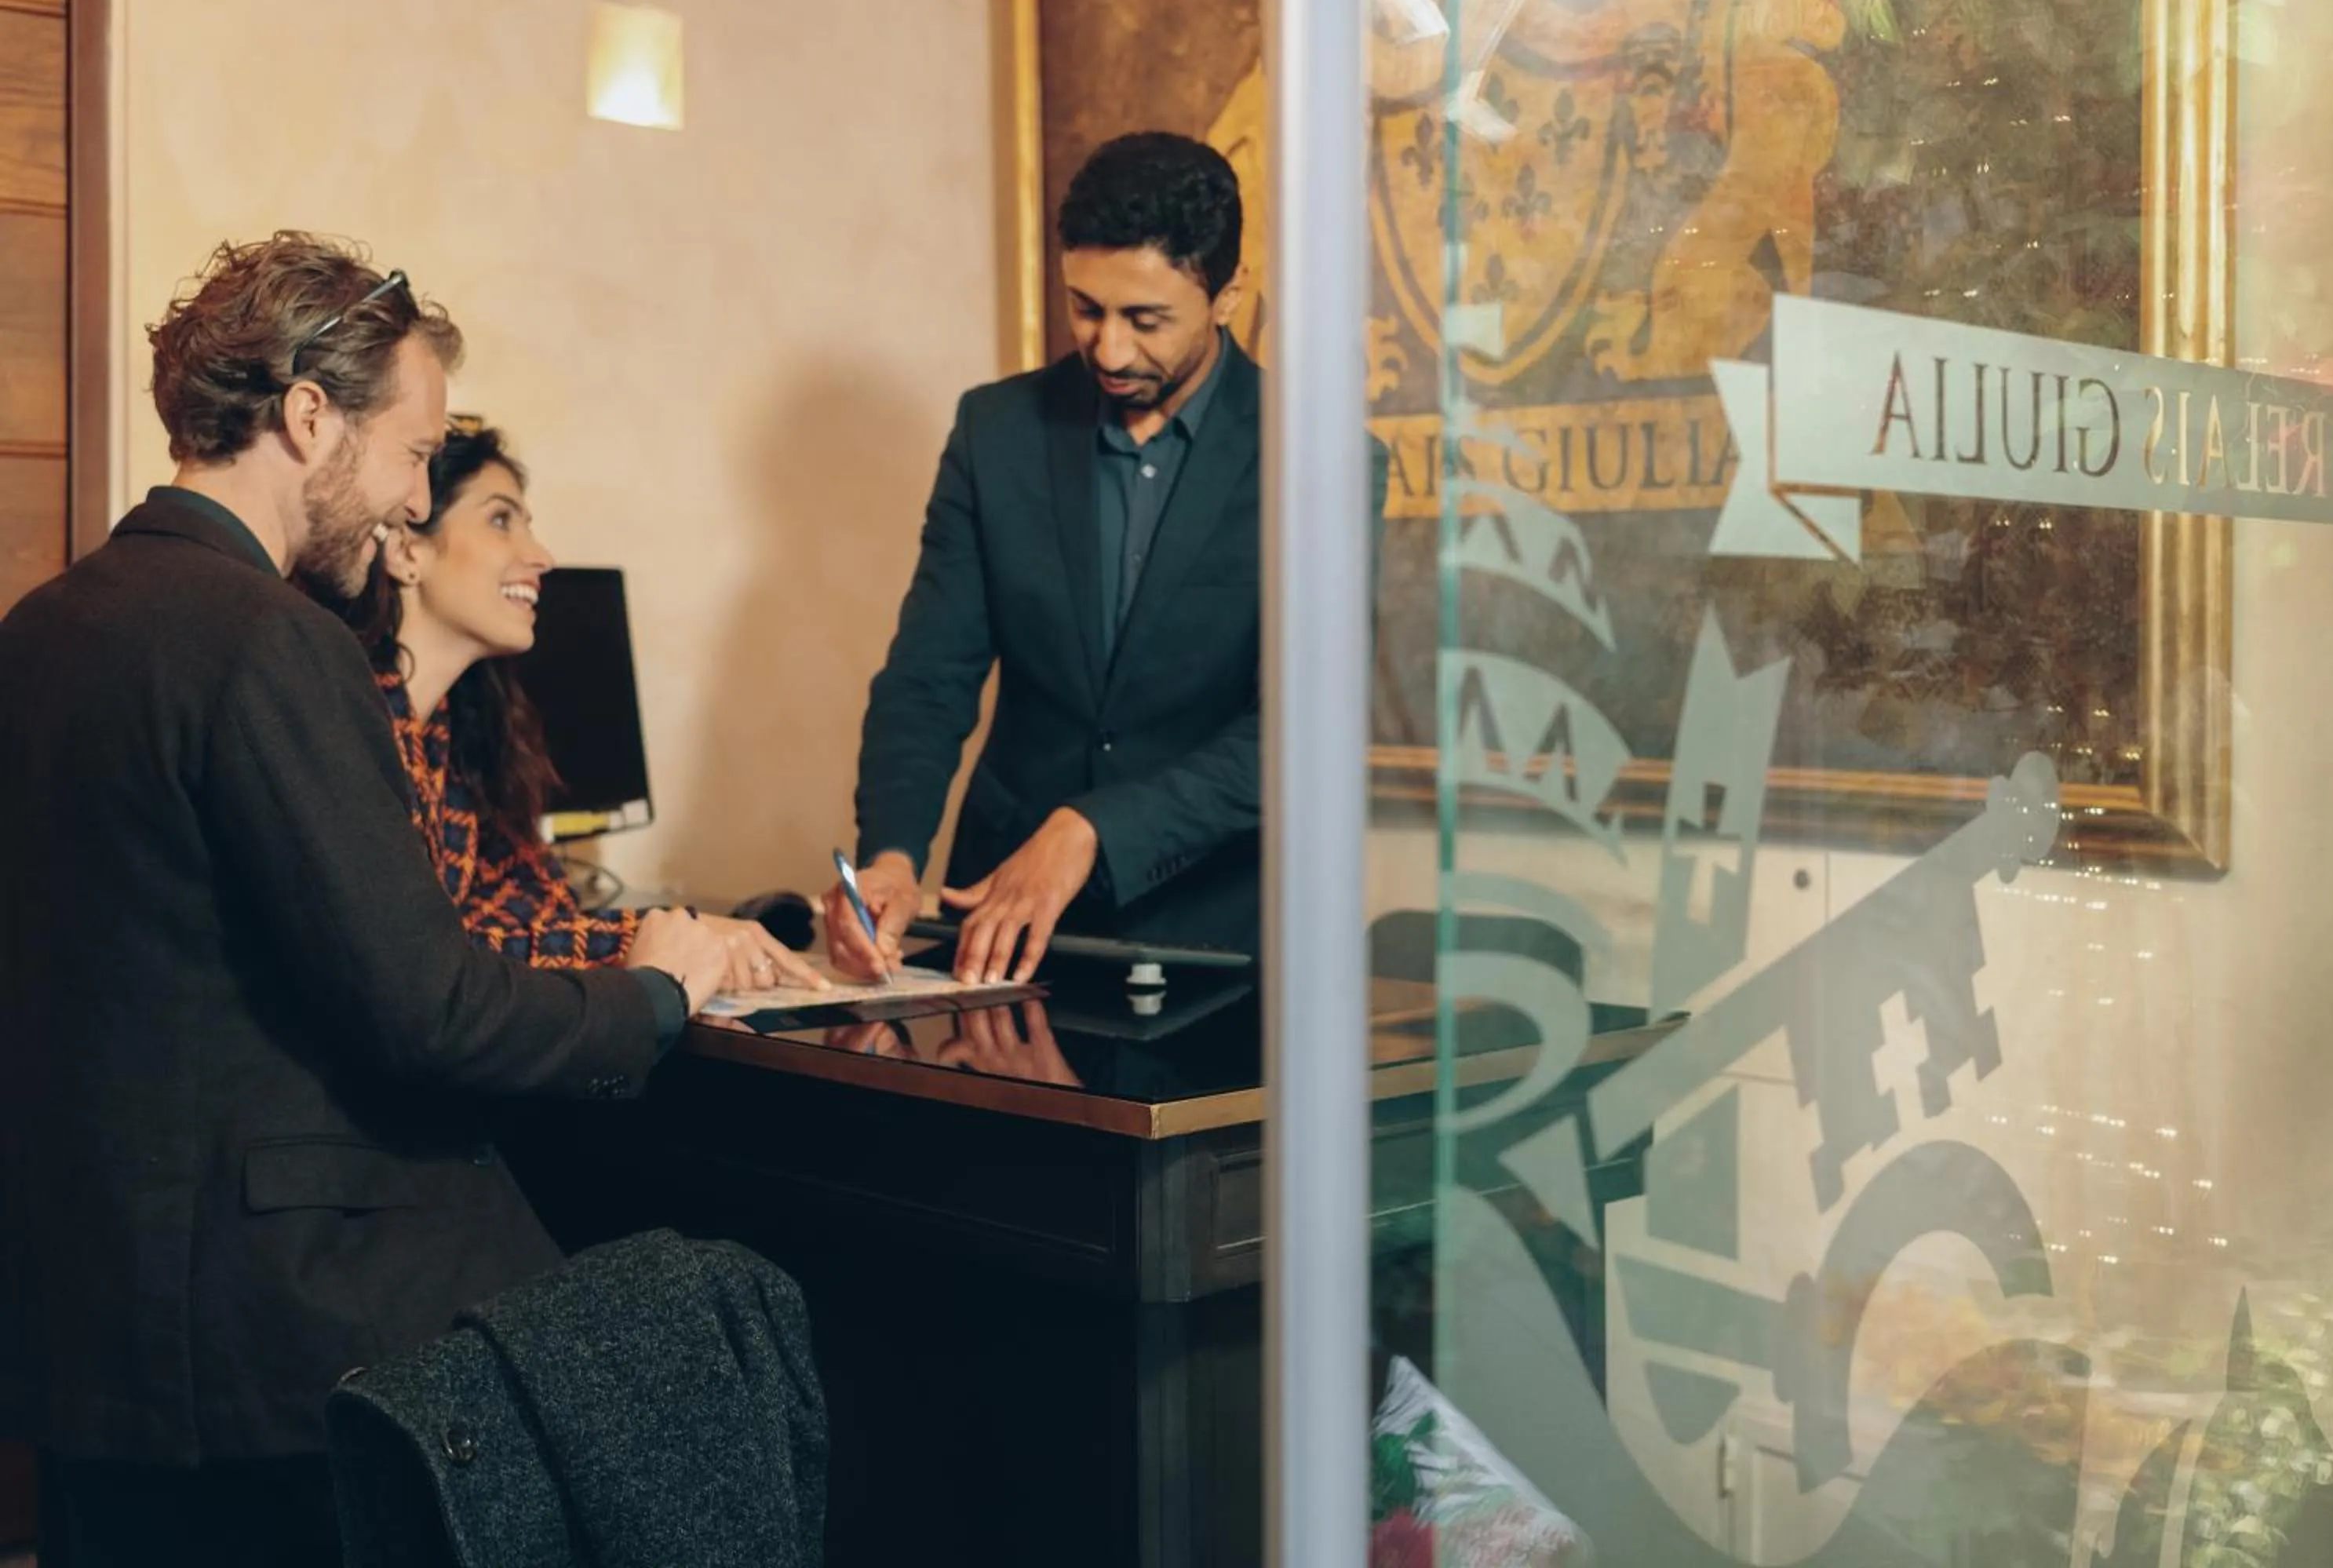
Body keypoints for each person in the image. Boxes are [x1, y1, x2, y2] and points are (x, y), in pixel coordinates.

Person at [0, 233, 778, 1567]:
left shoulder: (41, 631)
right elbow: (428, 1007)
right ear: (310, 419)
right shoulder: (268, 642)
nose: (411, 506)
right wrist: (653, 994)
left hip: (84, 1340)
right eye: (415, 457)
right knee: (716, 1337)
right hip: (274, 1344)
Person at [827, 132, 1380, 987]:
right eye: (1086, 308)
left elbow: (1300, 730)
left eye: (1146, 319)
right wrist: (893, 855)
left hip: (1222, 942)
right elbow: (929, 675)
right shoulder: (996, 431)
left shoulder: (1321, 455)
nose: (1111, 350)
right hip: (997, 936)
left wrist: (1090, 829)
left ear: (1227, 294)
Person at [319, 420, 822, 991]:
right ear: (409, 551)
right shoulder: (352, 720)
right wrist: (659, 936)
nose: (543, 558)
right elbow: (428, 956)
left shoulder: (460, 736)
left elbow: (533, 919)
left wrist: (695, 935)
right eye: (500, 520)